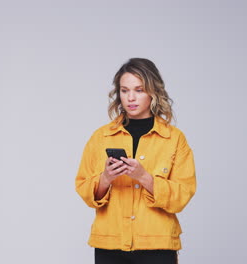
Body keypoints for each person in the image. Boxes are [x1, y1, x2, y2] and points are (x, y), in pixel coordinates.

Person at [75, 58, 196, 264]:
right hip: (109, 244)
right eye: (124, 90)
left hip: (158, 245)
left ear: (153, 92)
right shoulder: (100, 137)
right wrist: (106, 178)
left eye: (139, 90)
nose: (131, 97)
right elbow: (84, 189)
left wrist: (144, 177)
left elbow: (182, 195)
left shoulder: (174, 139)